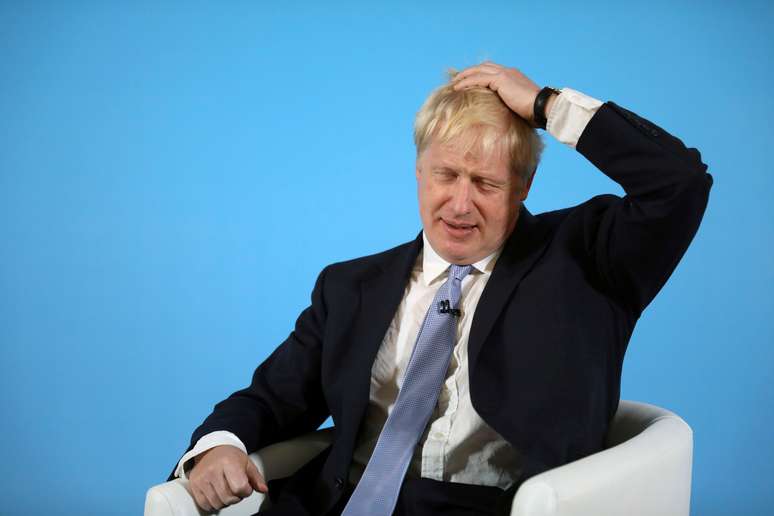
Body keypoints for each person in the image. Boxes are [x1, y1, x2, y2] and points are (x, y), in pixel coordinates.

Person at [167, 62, 712, 516]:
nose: (460, 204)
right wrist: (218, 447)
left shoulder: (586, 260)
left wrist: (545, 104)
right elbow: (271, 398)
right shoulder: (350, 286)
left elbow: (679, 182)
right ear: (419, 171)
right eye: (446, 175)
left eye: (486, 183)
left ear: (523, 186)